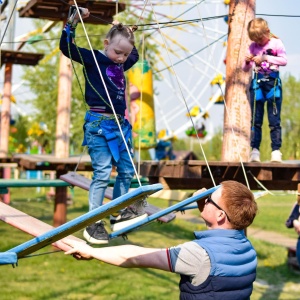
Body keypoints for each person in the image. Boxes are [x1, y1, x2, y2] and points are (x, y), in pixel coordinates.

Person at [63, 180, 258, 299]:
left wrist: (92, 251)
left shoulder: (199, 255)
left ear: (220, 216)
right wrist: (206, 206)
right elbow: (221, 231)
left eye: (209, 199)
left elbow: (137, 256)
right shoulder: (247, 249)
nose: (204, 199)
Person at [60, 7, 146, 245]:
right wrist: (73, 22)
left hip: (120, 126)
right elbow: (67, 48)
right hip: (98, 124)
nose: (121, 59)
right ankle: (93, 222)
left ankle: (117, 213)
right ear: (106, 43)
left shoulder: (122, 62)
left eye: (124, 55)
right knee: (102, 172)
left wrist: (128, 33)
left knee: (127, 171)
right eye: (118, 52)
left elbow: (135, 56)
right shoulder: (95, 59)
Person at [242, 18, 287, 163]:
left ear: (267, 32)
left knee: (274, 120)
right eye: (256, 40)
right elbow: (245, 68)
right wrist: (248, 61)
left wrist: (266, 57)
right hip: (258, 84)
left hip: (273, 84)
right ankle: (255, 150)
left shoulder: (276, 43)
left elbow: (283, 60)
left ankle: (276, 151)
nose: (259, 43)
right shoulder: (253, 46)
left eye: (260, 39)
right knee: (256, 119)